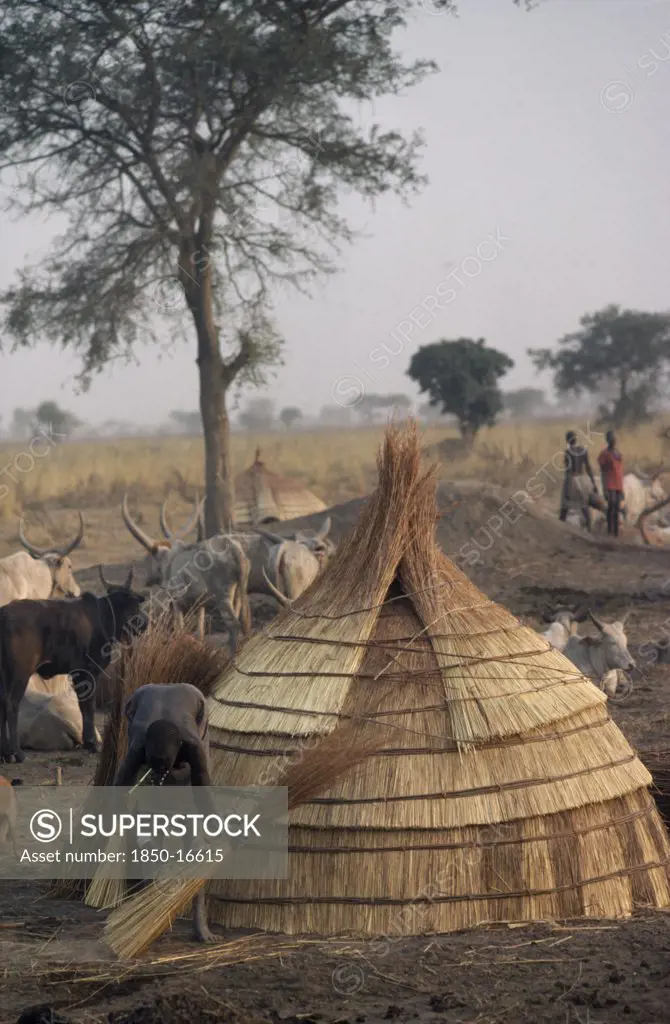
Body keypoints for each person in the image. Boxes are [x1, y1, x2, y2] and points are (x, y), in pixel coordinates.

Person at [559, 430, 599, 531]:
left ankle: (559, 527)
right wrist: (593, 484)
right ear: (576, 439)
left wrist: (567, 488)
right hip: (582, 479)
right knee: (583, 505)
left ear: (567, 441)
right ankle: (589, 528)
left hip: (572, 479)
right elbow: (588, 468)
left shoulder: (568, 452)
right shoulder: (583, 450)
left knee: (565, 505)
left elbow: (568, 470)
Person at [598, 430, 625, 537]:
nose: (613, 440)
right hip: (609, 484)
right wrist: (604, 488)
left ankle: (615, 533)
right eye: (611, 438)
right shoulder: (604, 454)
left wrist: (622, 488)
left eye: (614, 438)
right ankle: (610, 531)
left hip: (618, 484)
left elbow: (620, 469)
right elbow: (602, 472)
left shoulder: (617, 453)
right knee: (611, 506)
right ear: (608, 440)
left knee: (617, 508)